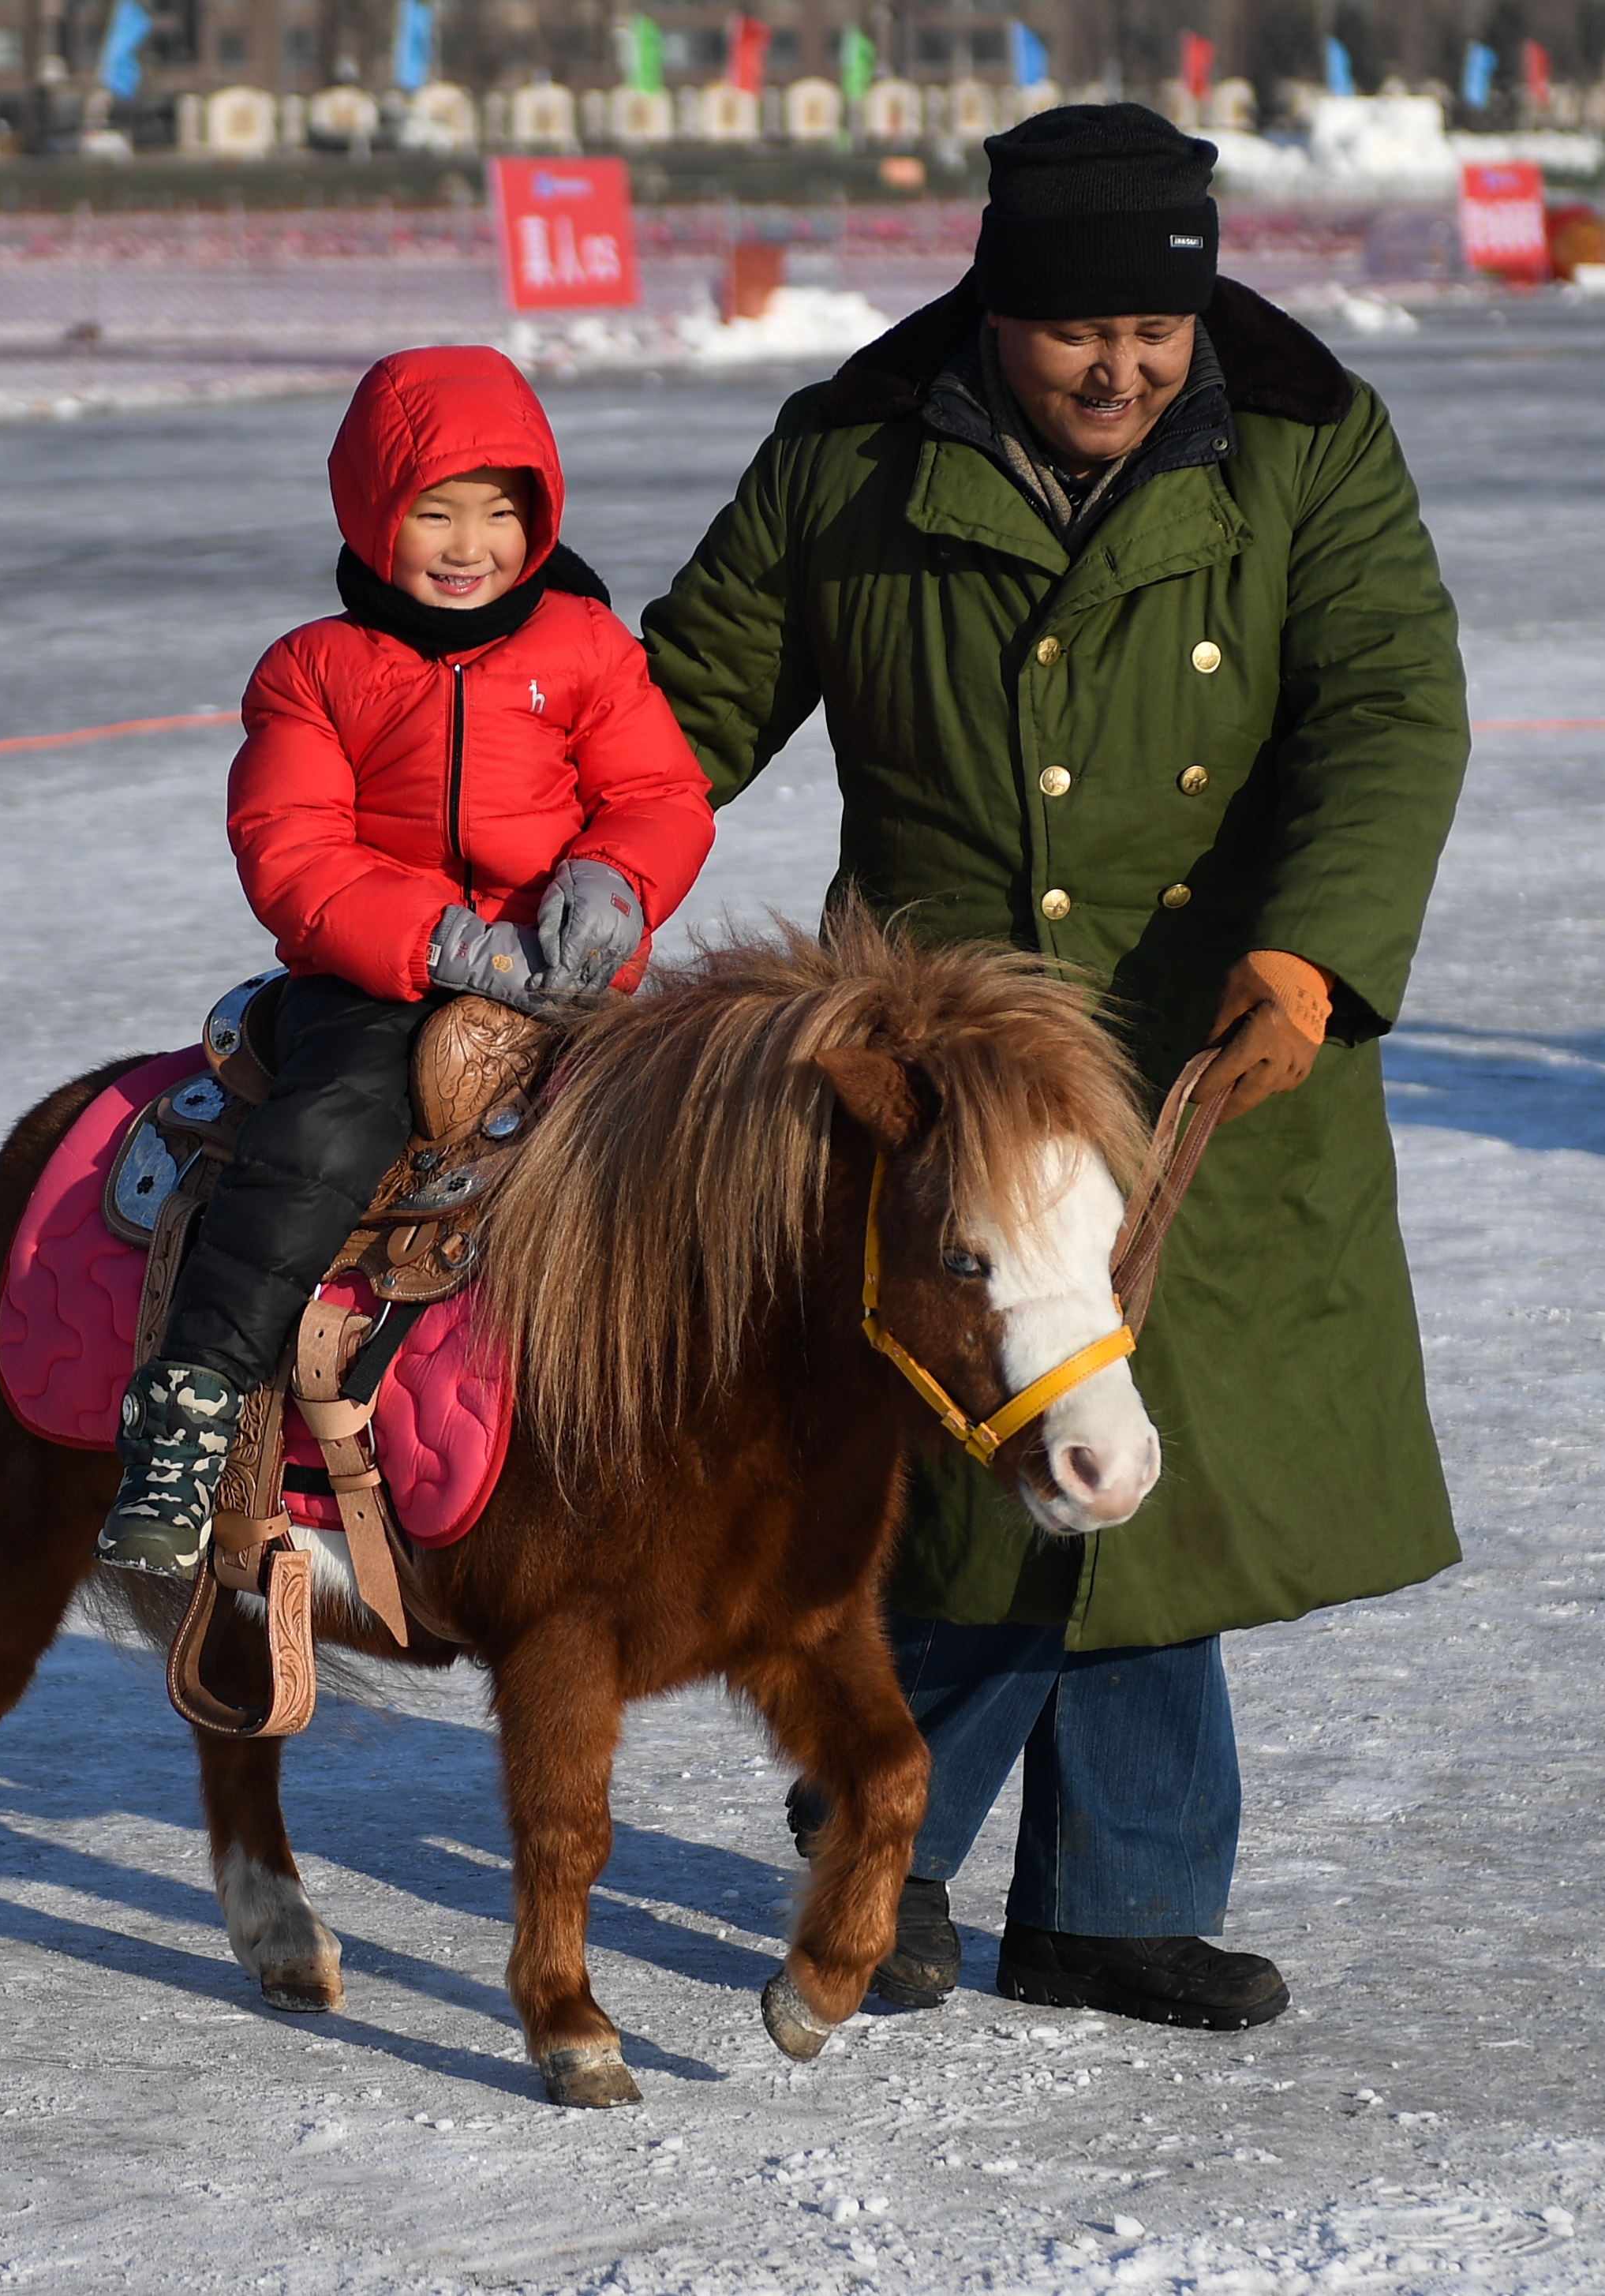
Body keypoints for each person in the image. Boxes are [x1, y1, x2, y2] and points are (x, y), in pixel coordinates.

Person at [643, 104, 1468, 2029]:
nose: (1120, 367)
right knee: (956, 1468)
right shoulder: (850, 450)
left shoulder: (1305, 441)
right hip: (946, 1071)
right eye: (1074, 332)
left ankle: (1108, 1901)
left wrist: (1315, 951)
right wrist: (569, 886)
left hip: (1202, 1056)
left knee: (1138, 1477)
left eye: (1154, 333)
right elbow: (691, 694)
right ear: (994, 306)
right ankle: (888, 1838)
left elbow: (1386, 701)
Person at [98, 345, 714, 1579]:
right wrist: (436, 941)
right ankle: (191, 1402)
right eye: (434, 510)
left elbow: (656, 791)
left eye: (500, 511)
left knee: (703, 1126)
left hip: (562, 969)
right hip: (382, 978)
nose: (468, 542)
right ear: (374, 514)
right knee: (321, 1137)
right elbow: (291, 851)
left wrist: (614, 882)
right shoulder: (314, 670)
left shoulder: (585, 645)